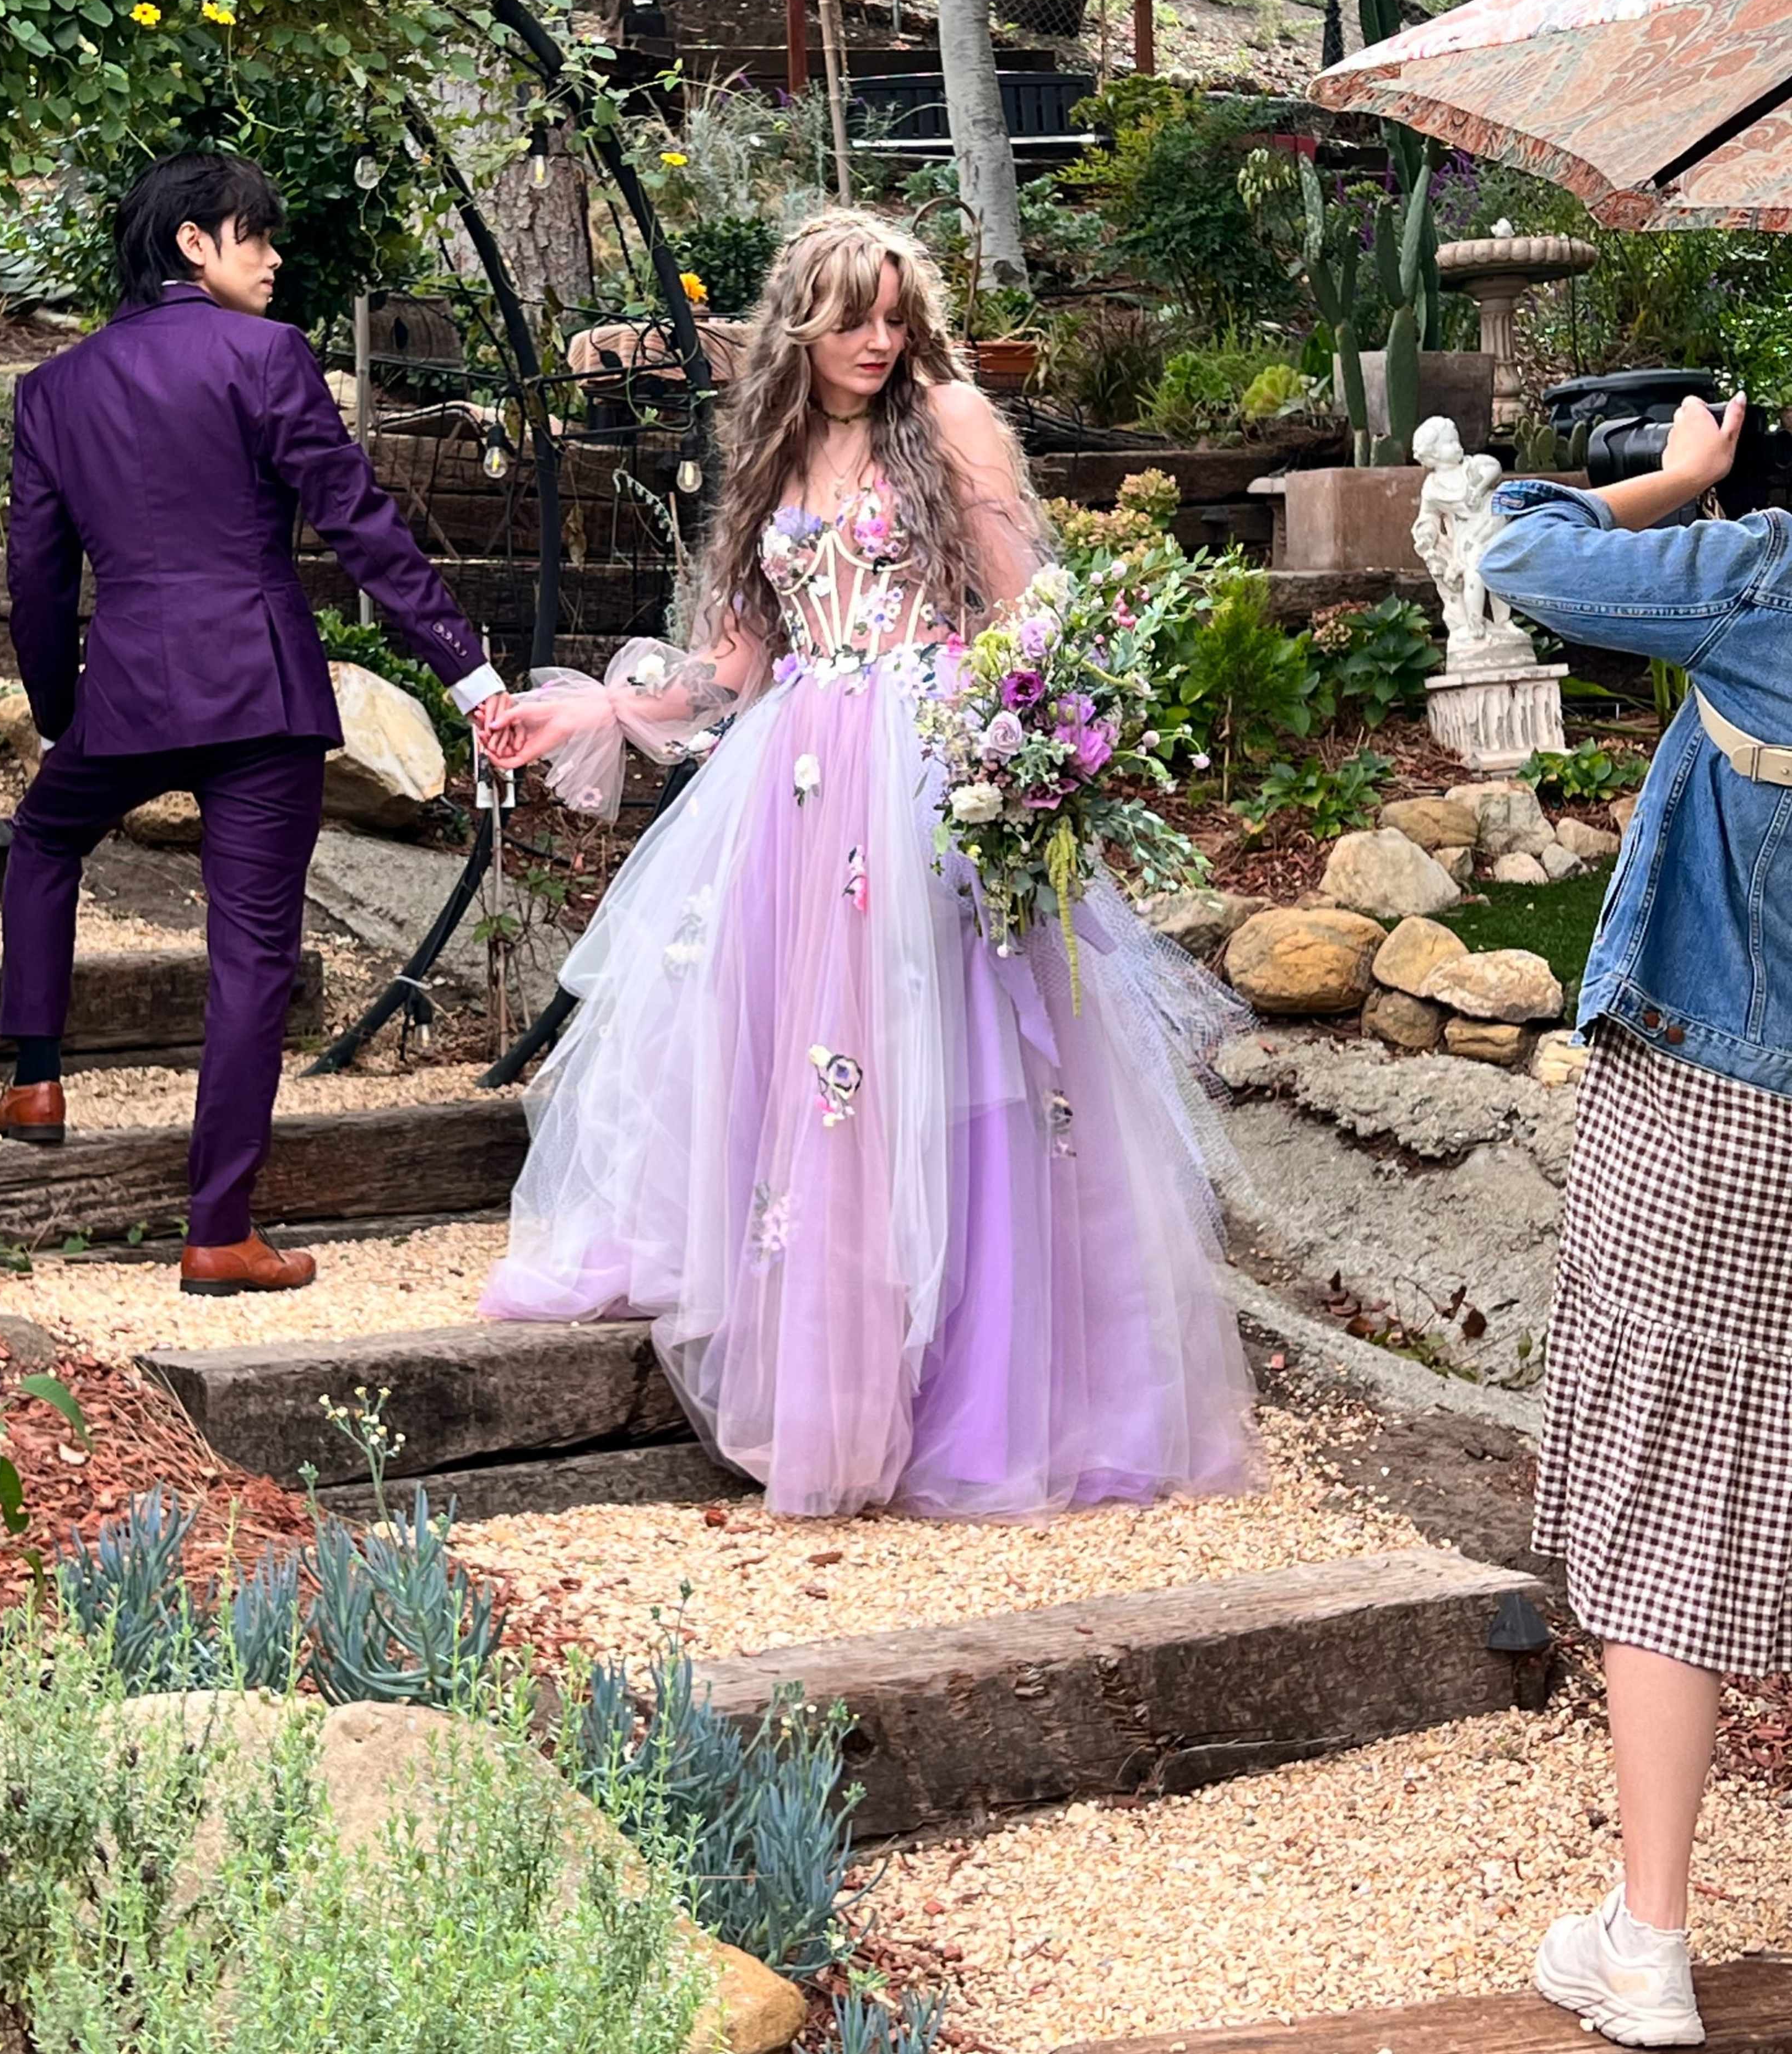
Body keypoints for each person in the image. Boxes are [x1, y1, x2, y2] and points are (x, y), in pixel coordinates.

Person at [476, 208, 1258, 1518]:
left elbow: (1026, 613)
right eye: (853, 317)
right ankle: (827, 1374)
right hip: (790, 784)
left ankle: (976, 1383)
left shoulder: (945, 420)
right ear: (803, 320)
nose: (880, 341)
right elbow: (736, 667)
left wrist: (1026, 755)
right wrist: (603, 711)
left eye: (897, 317)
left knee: (950, 1072)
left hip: (924, 776)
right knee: (804, 1069)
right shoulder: (773, 445)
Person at [0, 150, 507, 1295]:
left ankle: (35, 1075)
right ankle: (218, 1230)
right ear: (193, 243)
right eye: (256, 236)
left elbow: (37, 575)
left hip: (128, 689)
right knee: (252, 955)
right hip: (260, 693)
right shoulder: (267, 357)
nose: (274, 259)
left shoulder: (53, 389)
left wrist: (63, 708)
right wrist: (467, 675)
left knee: (42, 837)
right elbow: (361, 525)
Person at [1478, 391, 1792, 2049]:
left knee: (1680, 1491)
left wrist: (1678, 472)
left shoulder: (1764, 580)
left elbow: (1515, 543)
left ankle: (1652, 1942)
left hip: (1721, 1102)